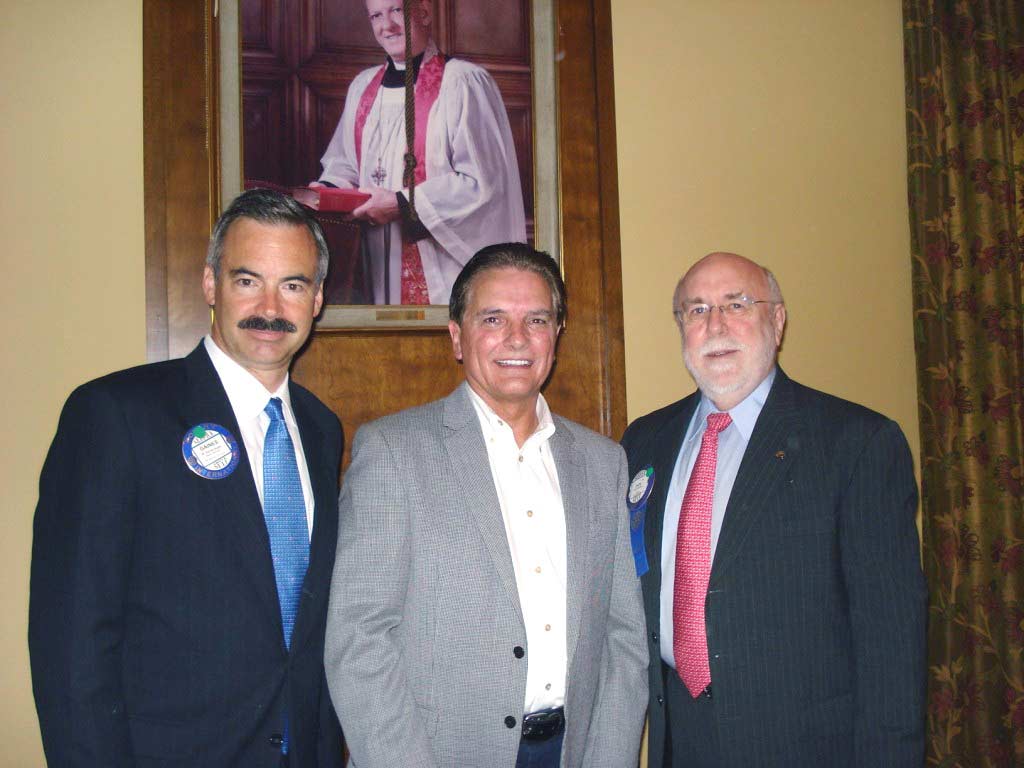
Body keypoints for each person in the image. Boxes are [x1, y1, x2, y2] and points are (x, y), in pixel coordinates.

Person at [29, 189, 345, 767]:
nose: (270, 307)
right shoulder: (116, 415)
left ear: (318, 298)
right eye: (247, 280)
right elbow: (71, 644)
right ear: (210, 285)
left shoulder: (323, 431)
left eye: (293, 285)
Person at [324, 243, 648, 768]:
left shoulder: (603, 462)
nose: (517, 338)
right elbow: (358, 636)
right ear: (457, 336)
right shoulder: (392, 450)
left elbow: (624, 638)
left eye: (536, 319)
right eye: (493, 318)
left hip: (571, 750)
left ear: (556, 336)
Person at [621, 252, 927, 767]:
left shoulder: (856, 443)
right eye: (696, 310)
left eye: (736, 304)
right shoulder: (644, 442)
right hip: (681, 738)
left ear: (777, 320)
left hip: (805, 745)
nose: (715, 325)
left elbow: (892, 646)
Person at [314, 0, 526, 306]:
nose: (386, 25)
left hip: (441, 266)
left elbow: (483, 184)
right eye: (376, 15)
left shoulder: (464, 82)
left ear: (424, 12)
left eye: (397, 10)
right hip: (373, 260)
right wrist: (329, 190)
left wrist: (402, 203)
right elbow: (345, 164)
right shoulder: (362, 88)